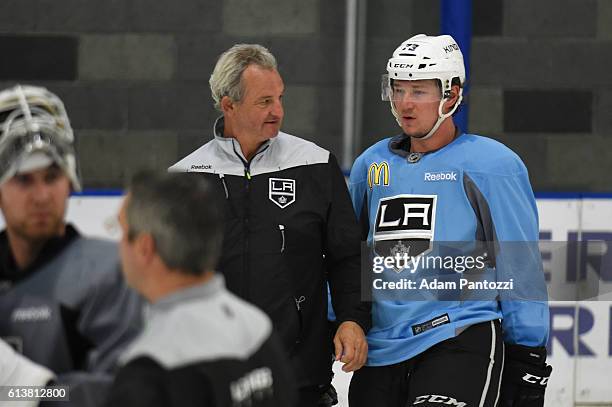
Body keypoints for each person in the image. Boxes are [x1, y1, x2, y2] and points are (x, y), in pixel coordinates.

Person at [347, 34, 552, 406]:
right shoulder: (370, 166)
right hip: (381, 350)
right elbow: (349, 258)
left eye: (419, 91)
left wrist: (529, 357)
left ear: (451, 95)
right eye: (398, 89)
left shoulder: (492, 166)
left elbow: (519, 266)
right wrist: (339, 322)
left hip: (458, 338)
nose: (405, 103)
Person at [168, 43, 370, 406]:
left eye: (280, 98)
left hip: (299, 378)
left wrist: (352, 319)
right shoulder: (183, 180)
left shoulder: (316, 166)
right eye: (264, 102)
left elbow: (349, 256)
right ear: (229, 105)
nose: (278, 110)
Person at [0, 84, 142, 403]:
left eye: (52, 177)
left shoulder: (109, 274)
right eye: (23, 180)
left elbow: (124, 393)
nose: (42, 196)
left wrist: (25, 388)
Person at [105, 171, 297, 407]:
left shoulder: (150, 366)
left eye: (123, 233)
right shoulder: (257, 327)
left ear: (145, 247)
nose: (119, 245)